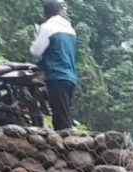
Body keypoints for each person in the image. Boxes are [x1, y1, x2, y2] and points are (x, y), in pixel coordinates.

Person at [31, 0, 78, 131]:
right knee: (64, 113)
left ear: (45, 13)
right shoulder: (70, 29)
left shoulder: (47, 27)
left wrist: (36, 36)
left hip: (57, 75)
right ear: (58, 11)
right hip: (70, 76)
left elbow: (36, 51)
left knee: (60, 118)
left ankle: (65, 147)